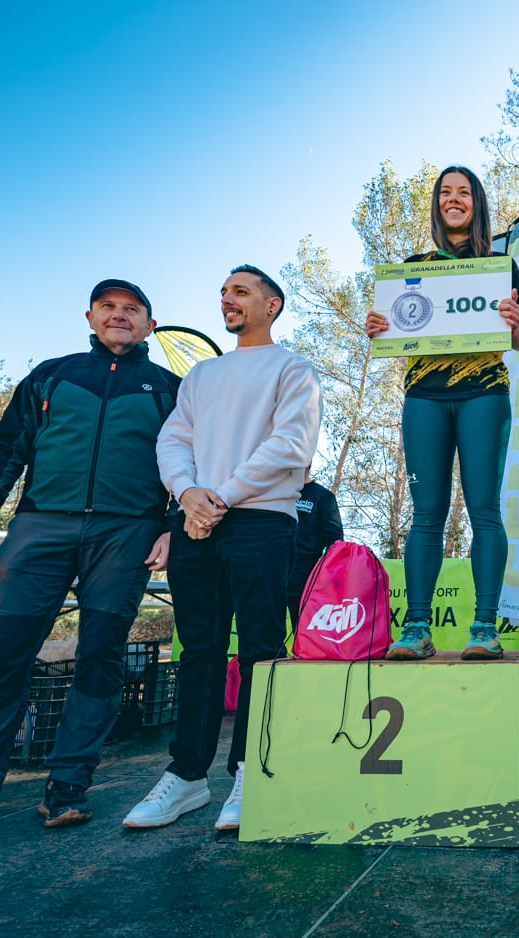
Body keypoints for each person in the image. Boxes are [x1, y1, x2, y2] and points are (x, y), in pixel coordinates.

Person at [0, 279, 177, 852]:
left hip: (126, 534)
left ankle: (68, 786)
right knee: (0, 655)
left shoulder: (169, 389)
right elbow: (5, 448)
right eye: (108, 308)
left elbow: (189, 463)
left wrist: (171, 528)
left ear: (151, 324)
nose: (119, 316)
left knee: (100, 656)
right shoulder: (53, 374)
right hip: (39, 527)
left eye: (132, 310)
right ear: (90, 317)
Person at [126, 265, 319, 834]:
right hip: (197, 525)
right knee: (199, 653)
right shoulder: (202, 375)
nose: (227, 301)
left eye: (240, 292)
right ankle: (186, 777)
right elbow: (173, 439)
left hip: (261, 521)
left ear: (272, 305)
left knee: (261, 648)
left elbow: (292, 443)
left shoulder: (294, 367)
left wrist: (222, 498)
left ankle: (251, 771)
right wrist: (188, 495)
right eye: (223, 293)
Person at [365, 165, 519, 659]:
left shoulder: (501, 265)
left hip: (484, 394)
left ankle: (484, 626)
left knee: (484, 510)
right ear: (437, 204)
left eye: (464, 193)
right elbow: (394, 333)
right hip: (423, 398)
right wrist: (379, 326)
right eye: (445, 193)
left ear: (477, 204)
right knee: (426, 516)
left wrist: (517, 323)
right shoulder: (414, 266)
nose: (453, 199)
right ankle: (416, 627)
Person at [286, 477, 345, 629]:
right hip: (272, 572)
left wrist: (324, 576)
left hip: (306, 575)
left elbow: (335, 541)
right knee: (265, 635)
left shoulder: (323, 496)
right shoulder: (274, 493)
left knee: (304, 632)